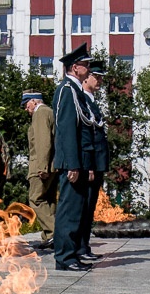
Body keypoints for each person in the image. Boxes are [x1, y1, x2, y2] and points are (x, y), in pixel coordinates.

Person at [51, 43, 95, 272]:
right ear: (75, 67)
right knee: (69, 211)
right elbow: (67, 129)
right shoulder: (67, 90)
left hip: (80, 160)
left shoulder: (75, 90)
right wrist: (72, 164)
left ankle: (72, 253)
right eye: (86, 64)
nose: (89, 69)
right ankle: (64, 257)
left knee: (77, 210)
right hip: (73, 162)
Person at [78, 60, 109, 261]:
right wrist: (88, 165)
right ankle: (80, 247)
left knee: (90, 207)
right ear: (86, 77)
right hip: (90, 163)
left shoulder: (91, 100)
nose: (99, 81)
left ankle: (84, 245)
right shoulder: (82, 100)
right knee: (85, 206)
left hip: (97, 162)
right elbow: (86, 135)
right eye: (96, 77)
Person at [22, 90, 57, 249]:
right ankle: (49, 236)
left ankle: (55, 233)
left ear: (34, 101)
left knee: (35, 199)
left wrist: (42, 166)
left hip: (41, 165)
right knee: (49, 200)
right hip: (52, 164)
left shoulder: (41, 113)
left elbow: (43, 141)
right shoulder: (49, 112)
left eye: (26, 104)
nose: (26, 109)